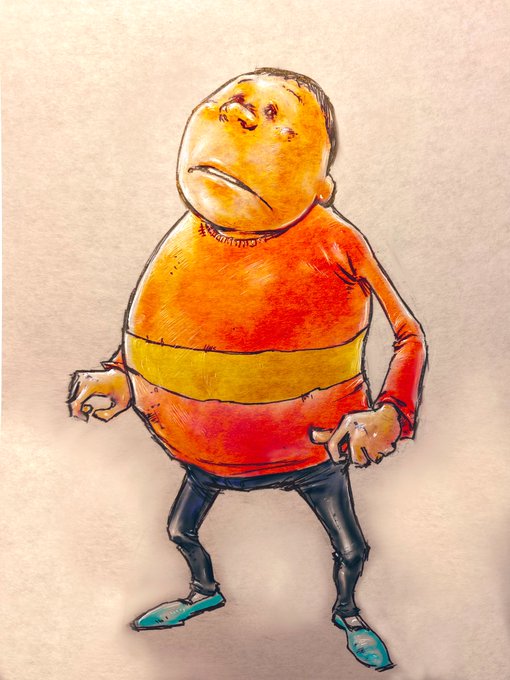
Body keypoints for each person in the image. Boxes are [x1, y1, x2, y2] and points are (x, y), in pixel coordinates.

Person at [68, 68, 427, 672]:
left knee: (350, 547)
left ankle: (349, 613)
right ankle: (203, 592)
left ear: (322, 184)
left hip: (313, 453)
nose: (235, 116)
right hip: (205, 460)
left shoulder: (336, 242)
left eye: (274, 118)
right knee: (180, 532)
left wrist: (390, 413)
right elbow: (155, 337)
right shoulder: (185, 238)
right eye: (225, 105)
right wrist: (122, 379)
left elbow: (409, 336)